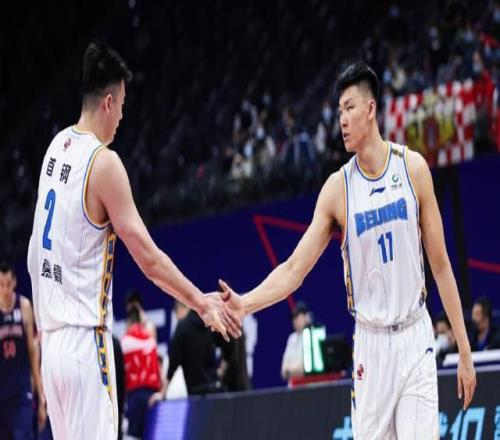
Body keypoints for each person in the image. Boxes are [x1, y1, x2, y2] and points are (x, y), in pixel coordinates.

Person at [219, 62, 476, 439]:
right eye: (339, 110)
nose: (341, 119)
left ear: (371, 109)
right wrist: (245, 303)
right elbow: (293, 269)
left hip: (415, 336)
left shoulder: (413, 169)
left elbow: (441, 266)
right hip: (371, 345)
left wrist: (465, 351)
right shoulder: (337, 189)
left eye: (349, 107)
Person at [27, 40, 240, 440]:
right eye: (122, 104)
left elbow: (34, 252)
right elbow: (149, 259)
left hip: (52, 346)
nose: (123, 115)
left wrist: (44, 329)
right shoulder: (103, 163)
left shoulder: (55, 148)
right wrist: (200, 302)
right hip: (84, 344)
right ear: (109, 102)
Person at [0, 260, 47, 439]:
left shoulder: (24, 306)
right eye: (1, 285)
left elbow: (33, 352)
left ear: (14, 282)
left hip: (21, 391)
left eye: (8, 284)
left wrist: (40, 398)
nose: (5, 290)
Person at [121, 305, 160, 439]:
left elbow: (120, 375)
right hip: (152, 396)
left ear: (129, 322)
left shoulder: (124, 341)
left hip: (135, 396)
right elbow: (157, 371)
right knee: (151, 435)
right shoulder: (151, 340)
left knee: (134, 437)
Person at [281, 301, 311, 384]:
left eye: (297, 317)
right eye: (293, 318)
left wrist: (290, 371)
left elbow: (307, 369)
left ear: (306, 317)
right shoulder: (291, 338)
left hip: (309, 387)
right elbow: (283, 371)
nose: (294, 320)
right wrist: (295, 370)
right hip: (293, 388)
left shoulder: (313, 336)